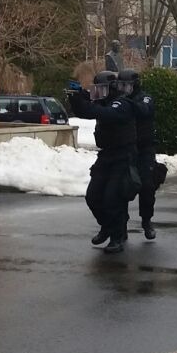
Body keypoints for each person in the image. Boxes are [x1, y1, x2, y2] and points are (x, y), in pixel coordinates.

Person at [66, 70, 139, 253]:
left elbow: (99, 112)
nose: (98, 93)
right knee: (92, 196)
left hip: (123, 156)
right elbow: (84, 110)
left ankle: (117, 237)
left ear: (112, 88)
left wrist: (81, 99)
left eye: (101, 89)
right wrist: (75, 96)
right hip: (106, 155)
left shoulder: (122, 104)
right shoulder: (103, 102)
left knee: (112, 198)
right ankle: (106, 226)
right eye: (96, 89)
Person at [123, 69, 162, 241]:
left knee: (147, 186)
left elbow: (144, 110)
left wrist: (127, 102)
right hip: (126, 148)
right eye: (121, 85)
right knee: (121, 187)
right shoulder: (120, 101)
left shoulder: (144, 98)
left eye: (127, 85)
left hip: (145, 149)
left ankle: (147, 221)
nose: (124, 89)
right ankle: (120, 225)